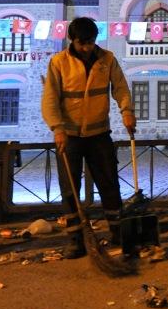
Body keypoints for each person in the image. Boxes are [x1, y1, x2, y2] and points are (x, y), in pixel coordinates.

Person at [41, 17, 136, 258]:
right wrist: (57, 128)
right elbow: (50, 98)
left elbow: (121, 88)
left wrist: (127, 111)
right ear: (73, 40)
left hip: (99, 134)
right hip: (70, 136)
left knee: (109, 183)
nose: (87, 48)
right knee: (70, 188)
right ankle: (76, 238)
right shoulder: (59, 62)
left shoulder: (107, 59)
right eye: (83, 43)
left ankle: (117, 232)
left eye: (91, 42)